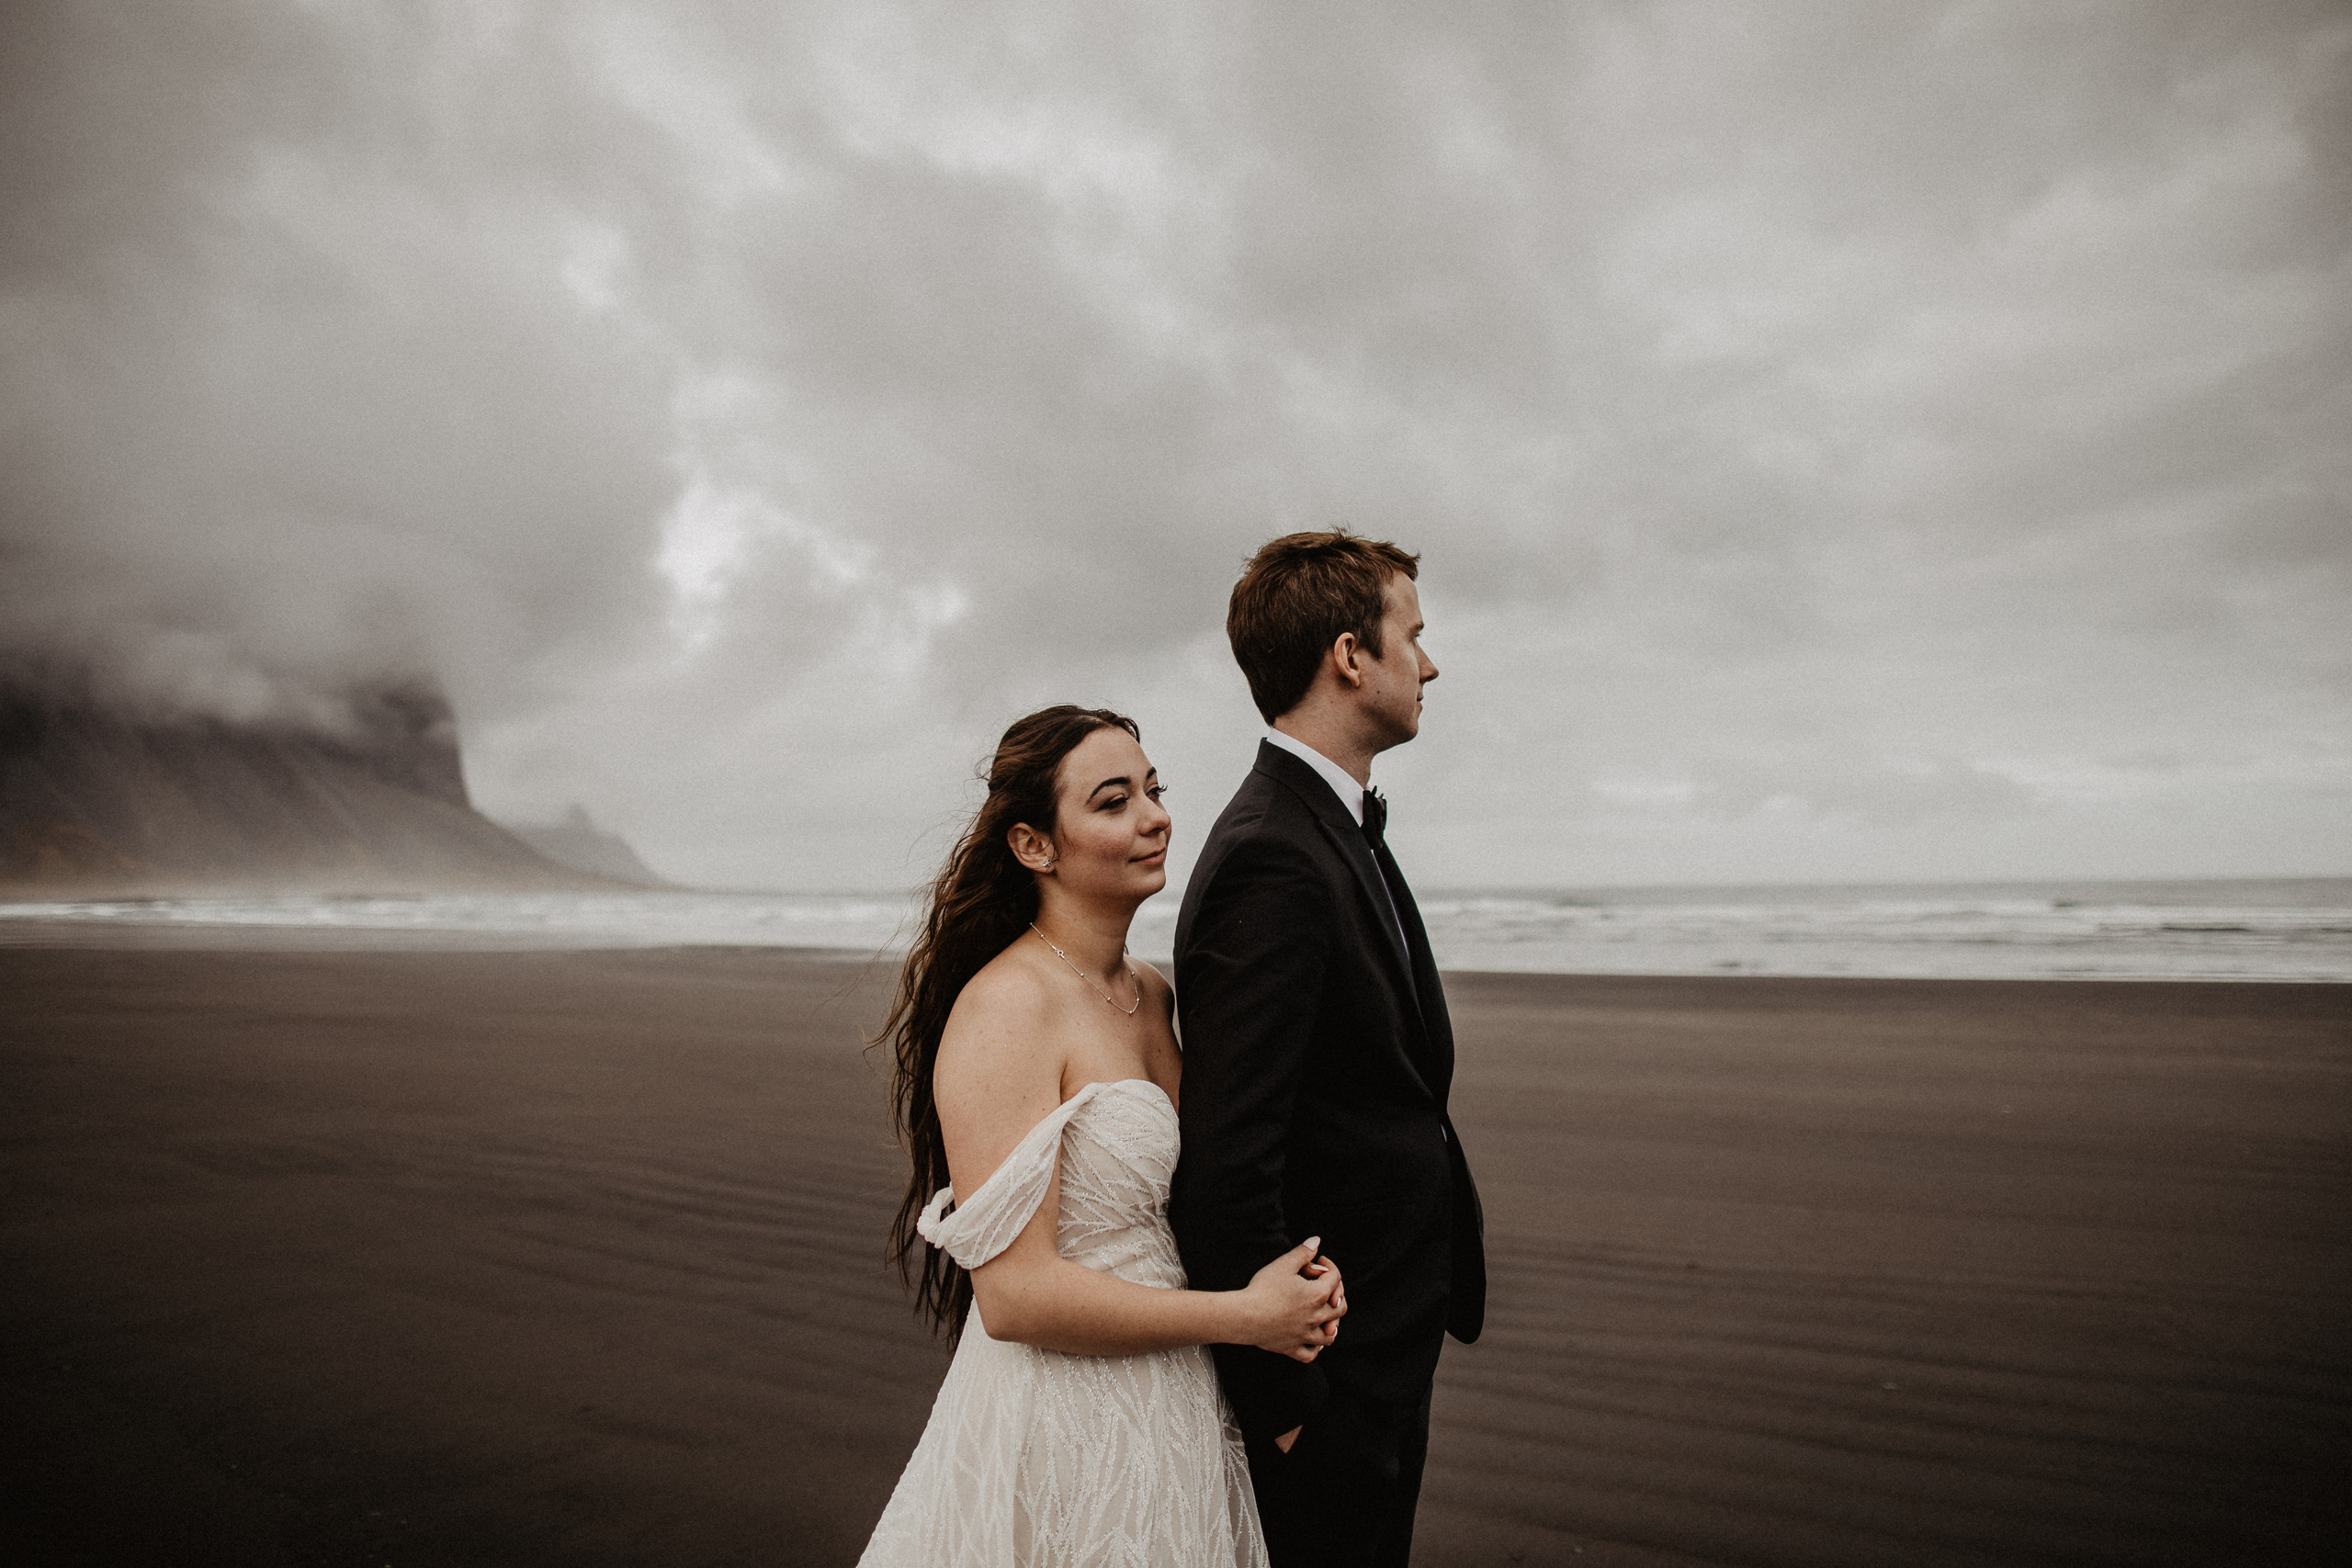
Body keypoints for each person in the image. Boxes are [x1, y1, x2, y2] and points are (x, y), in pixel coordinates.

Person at [858, 704, 1348, 1568]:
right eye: (1114, 800)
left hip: (1177, 1407)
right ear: (1033, 846)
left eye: (1154, 790)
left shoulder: (1152, 992)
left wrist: (1295, 1281)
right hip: (1061, 1422)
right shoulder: (1008, 1006)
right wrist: (1245, 1316)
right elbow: (1014, 1297)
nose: (1155, 816)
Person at [1170, 532, 1487, 1568]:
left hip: (1384, 1342)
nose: (1430, 666)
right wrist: (1291, 1406)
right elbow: (1226, 1154)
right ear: (1350, 655)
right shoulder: (1273, 853)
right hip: (1329, 1372)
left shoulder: (1328, 826)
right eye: (1415, 637)